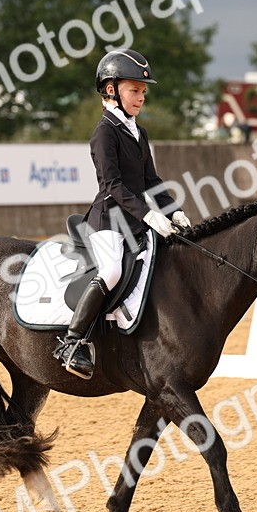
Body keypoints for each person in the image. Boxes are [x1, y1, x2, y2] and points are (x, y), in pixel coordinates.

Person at [53, 48, 192, 379]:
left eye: (143, 91)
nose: (141, 97)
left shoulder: (138, 132)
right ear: (111, 89)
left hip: (136, 221)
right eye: (134, 90)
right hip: (108, 221)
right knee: (113, 270)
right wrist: (148, 215)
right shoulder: (104, 133)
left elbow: (151, 181)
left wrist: (174, 212)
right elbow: (113, 185)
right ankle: (72, 343)